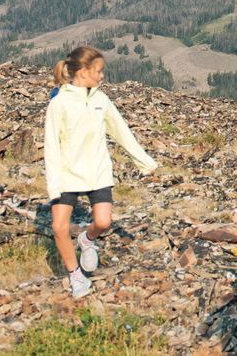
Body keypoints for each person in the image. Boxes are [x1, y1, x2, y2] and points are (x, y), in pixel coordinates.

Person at [43, 46, 159, 300]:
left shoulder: (100, 100)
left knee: (104, 222)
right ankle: (75, 275)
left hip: (97, 170)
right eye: (98, 71)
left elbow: (121, 131)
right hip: (67, 174)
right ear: (83, 72)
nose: (102, 75)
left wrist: (144, 162)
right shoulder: (59, 103)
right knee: (59, 227)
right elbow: (51, 146)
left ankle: (87, 239)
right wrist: (53, 186)